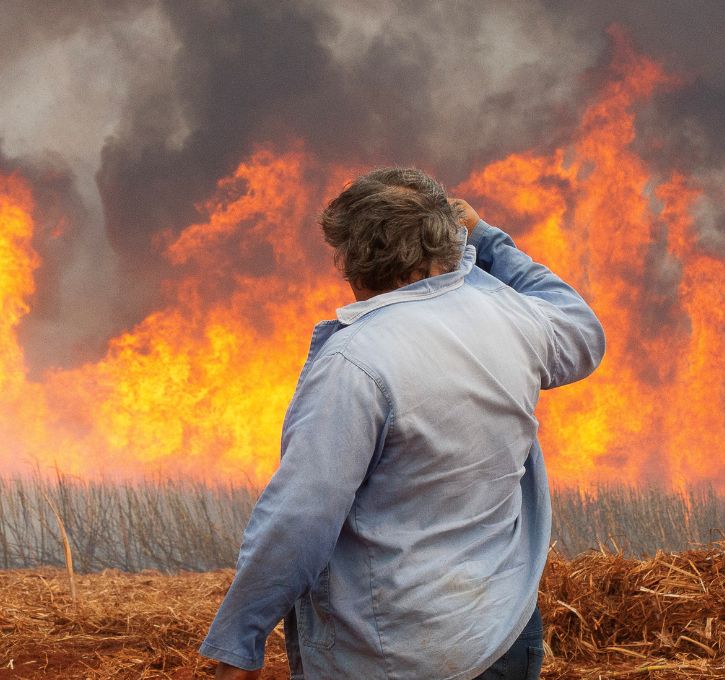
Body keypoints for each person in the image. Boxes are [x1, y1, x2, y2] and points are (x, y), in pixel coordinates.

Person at [199, 167, 605, 679]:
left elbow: (301, 516)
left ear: (351, 260)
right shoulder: (512, 320)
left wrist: (239, 638)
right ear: (442, 247)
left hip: (394, 653)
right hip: (502, 636)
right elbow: (582, 329)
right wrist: (486, 241)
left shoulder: (354, 362)